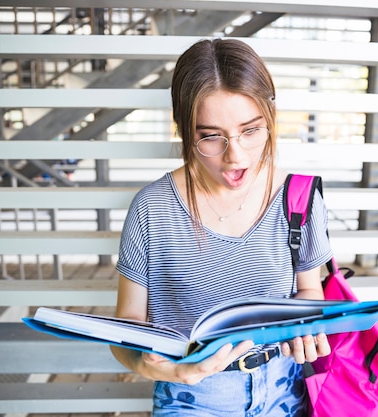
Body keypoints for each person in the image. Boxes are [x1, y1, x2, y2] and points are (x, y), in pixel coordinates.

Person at [110, 38, 334, 416]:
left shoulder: (299, 198)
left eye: (251, 130)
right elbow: (127, 326)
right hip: (191, 398)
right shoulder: (151, 208)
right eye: (211, 136)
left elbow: (310, 289)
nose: (236, 157)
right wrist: (143, 363)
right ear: (184, 130)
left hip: (284, 390)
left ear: (270, 119)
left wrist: (308, 324)